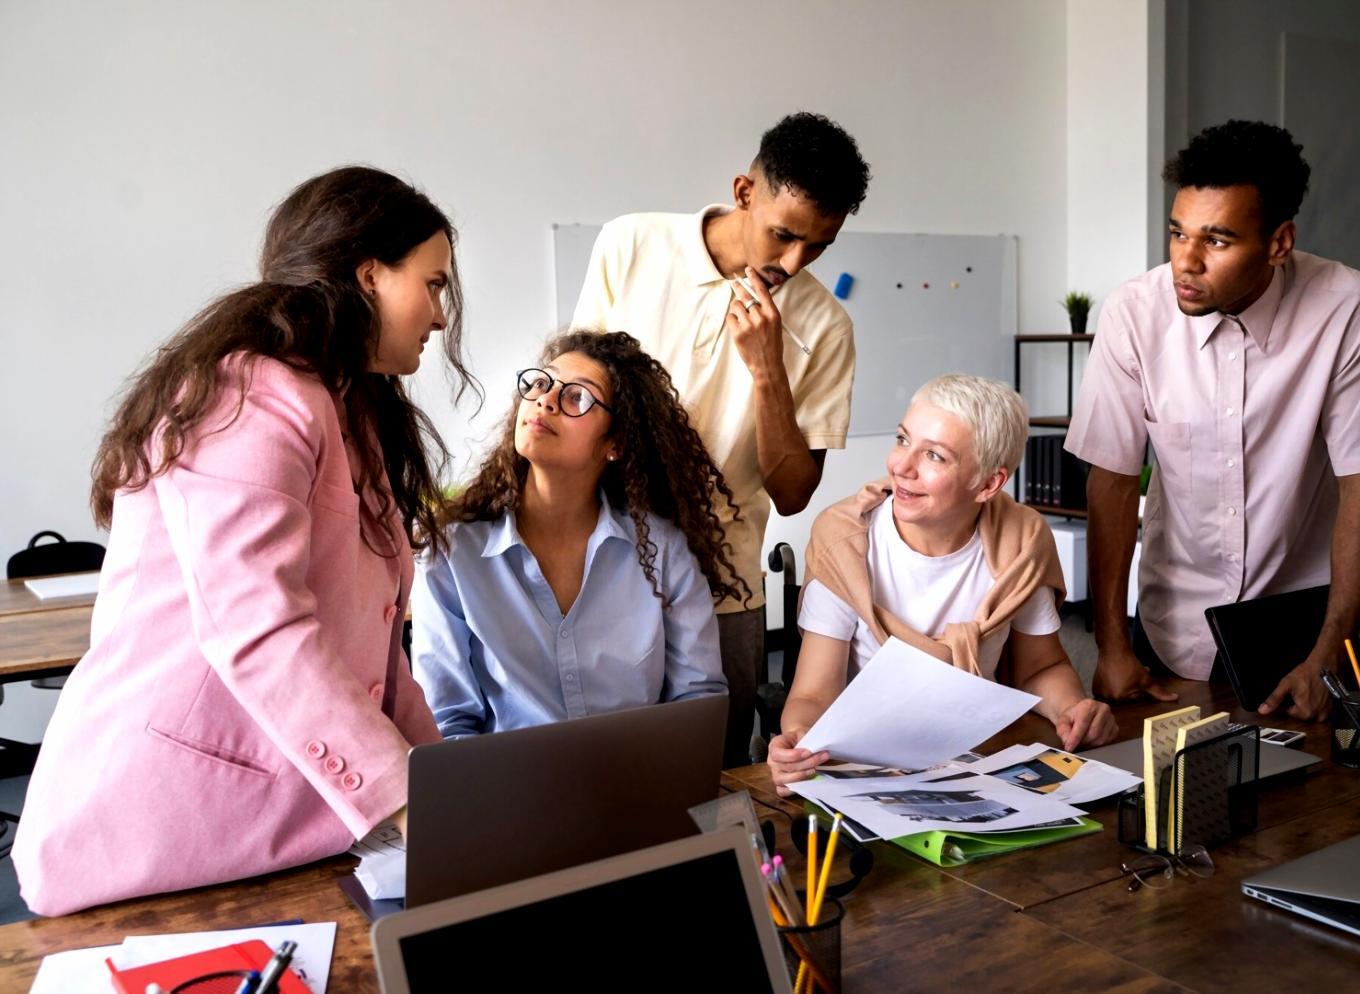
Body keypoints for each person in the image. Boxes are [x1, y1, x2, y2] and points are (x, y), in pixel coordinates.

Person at [14, 167, 473, 916]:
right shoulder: (251, 394)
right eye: (434, 284)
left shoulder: (345, 406)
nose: (441, 315)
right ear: (369, 276)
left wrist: (450, 791)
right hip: (160, 824)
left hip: (281, 826)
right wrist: (410, 802)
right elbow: (258, 629)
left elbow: (374, 657)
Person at [1066, 120, 1360, 719]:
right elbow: (1112, 482)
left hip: (1301, 629)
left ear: (1279, 242)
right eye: (1178, 233)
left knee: (1319, 779)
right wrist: (1110, 644)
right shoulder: (1133, 314)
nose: (1186, 261)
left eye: (1217, 240)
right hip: (1170, 624)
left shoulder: (1348, 307)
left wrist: (1328, 655)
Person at [571, 112, 871, 766]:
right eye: (784, 234)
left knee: (719, 777)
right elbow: (580, 400)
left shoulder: (827, 327)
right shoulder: (632, 243)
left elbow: (793, 494)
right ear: (744, 192)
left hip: (726, 589)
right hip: (604, 564)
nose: (794, 262)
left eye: (819, 246)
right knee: (601, 770)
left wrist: (768, 371)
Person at [768, 375, 1117, 796]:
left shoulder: (1022, 543)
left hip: (979, 754)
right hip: (867, 761)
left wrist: (1073, 708)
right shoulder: (845, 543)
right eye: (903, 439)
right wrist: (799, 739)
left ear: (988, 484)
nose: (901, 466)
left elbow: (1040, 668)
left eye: (934, 455)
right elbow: (813, 694)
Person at [412, 331, 743, 737]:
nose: (545, 400)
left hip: (638, 772)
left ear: (615, 443)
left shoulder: (663, 550)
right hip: (506, 777)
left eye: (577, 397)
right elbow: (447, 723)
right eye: (540, 383)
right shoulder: (450, 552)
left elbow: (698, 698)